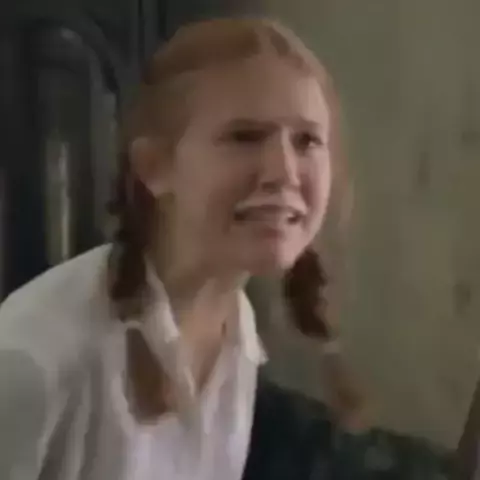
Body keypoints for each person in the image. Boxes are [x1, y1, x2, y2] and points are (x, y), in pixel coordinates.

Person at [0, 17, 452, 480]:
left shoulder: (236, 331)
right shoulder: (33, 362)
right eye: (245, 136)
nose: (284, 171)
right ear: (154, 167)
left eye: (306, 140)